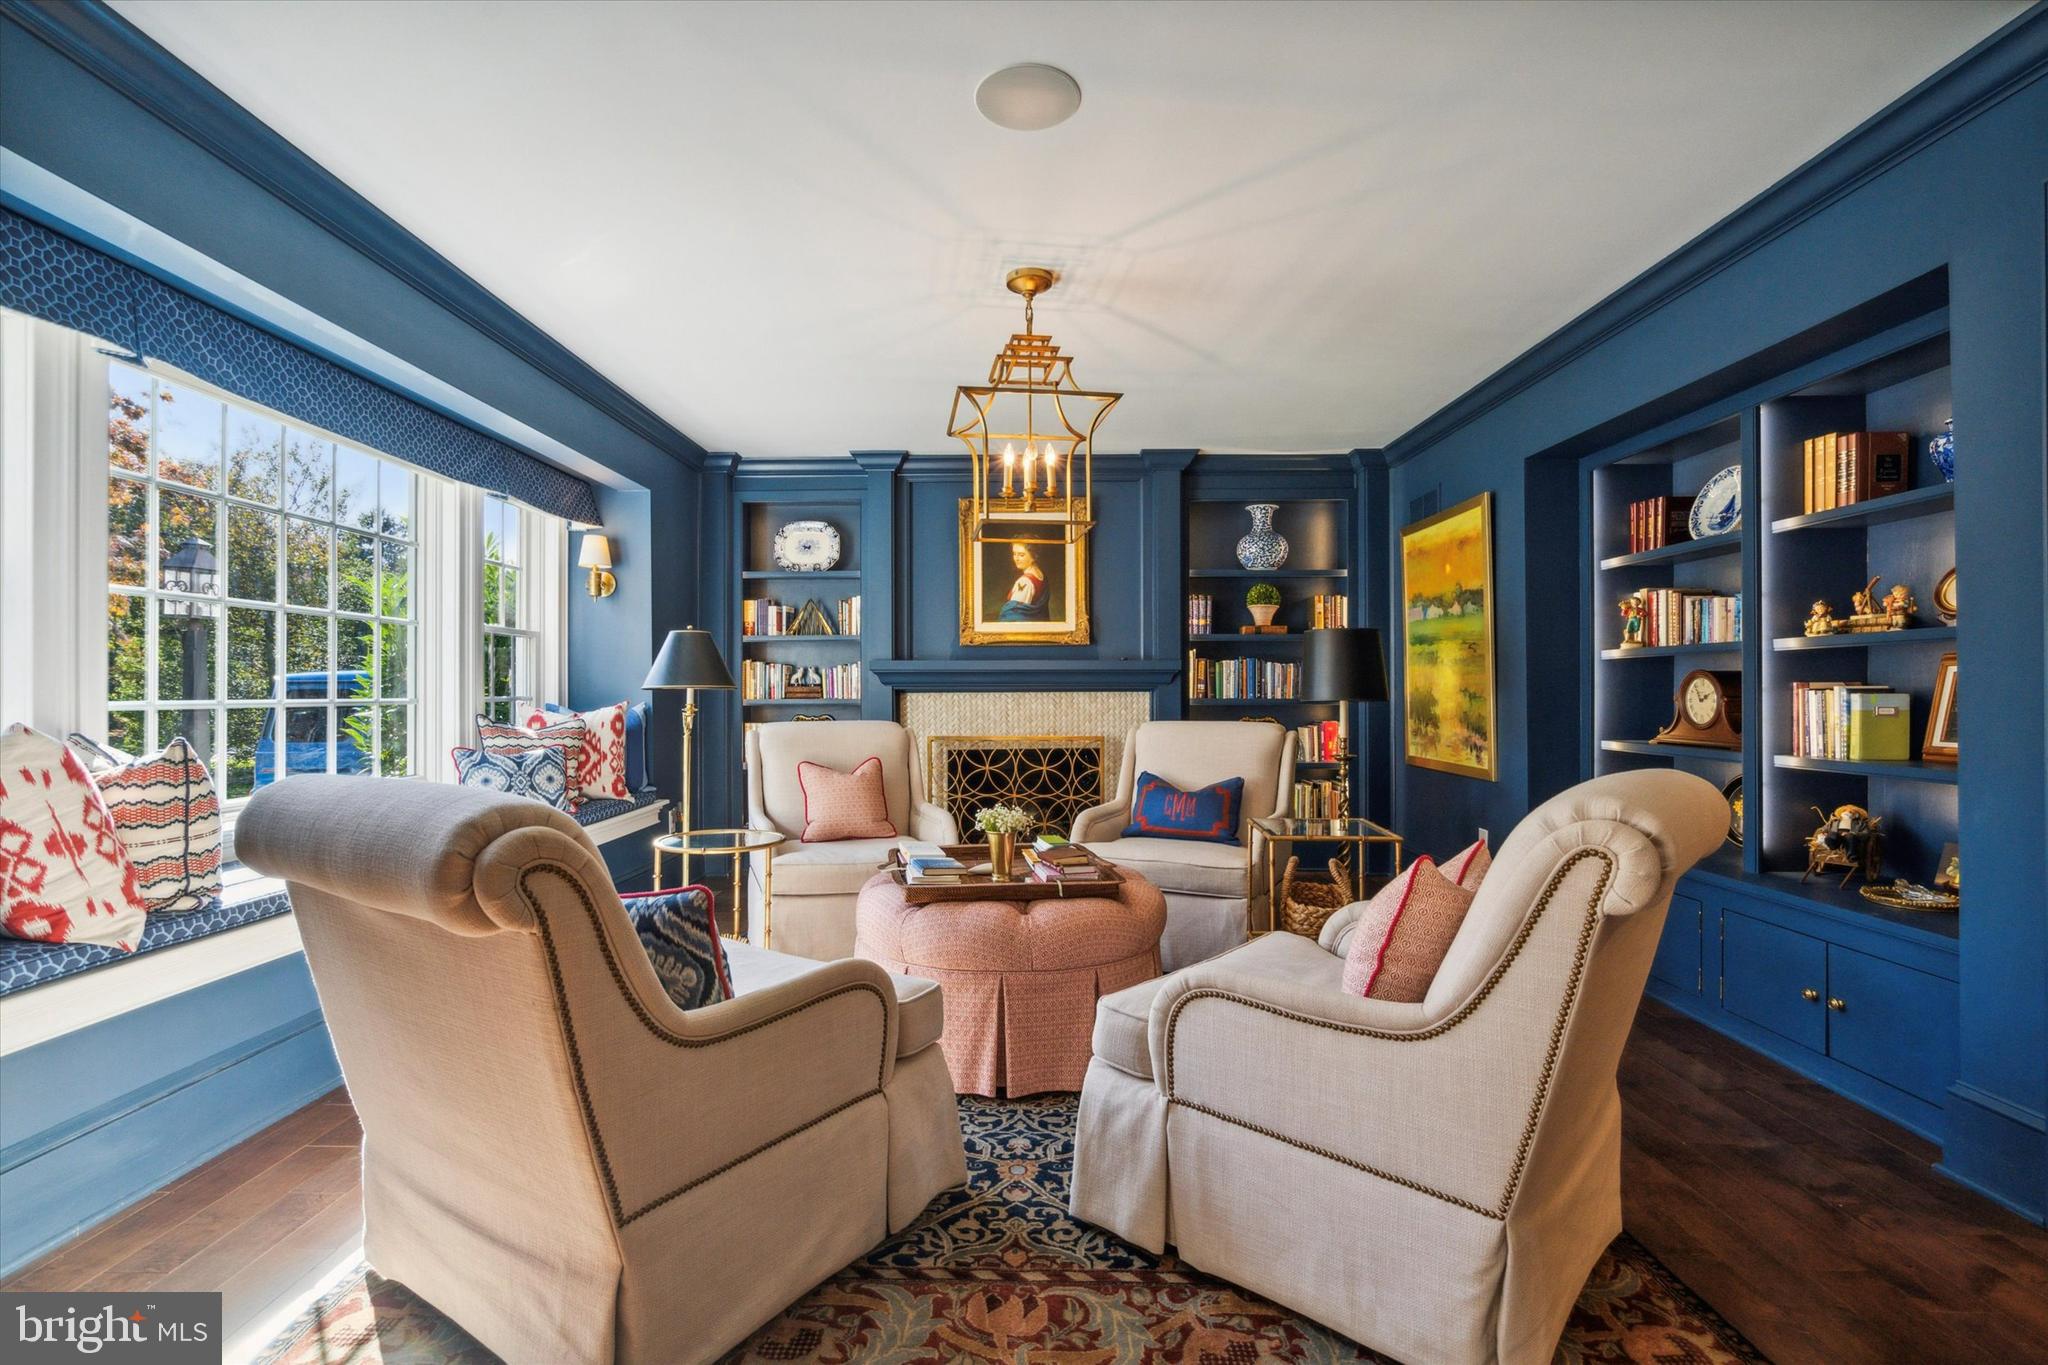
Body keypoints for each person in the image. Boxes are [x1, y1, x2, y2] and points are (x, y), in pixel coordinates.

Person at [997, 541, 1050, 621]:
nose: (1016, 559)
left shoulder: (1024, 581)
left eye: (1021, 555)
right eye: (1014, 554)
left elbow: (1013, 614)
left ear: (1033, 556)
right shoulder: (1040, 573)